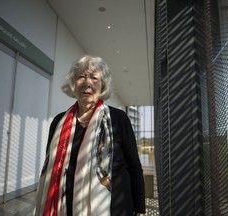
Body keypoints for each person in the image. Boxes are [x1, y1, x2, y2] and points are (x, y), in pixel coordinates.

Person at [34, 55, 146, 216]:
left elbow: (135, 167)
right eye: (81, 77)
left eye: (94, 78)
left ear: (103, 85)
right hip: (64, 208)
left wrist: (140, 210)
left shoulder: (118, 119)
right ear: (74, 83)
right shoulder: (58, 122)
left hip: (114, 208)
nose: (87, 83)